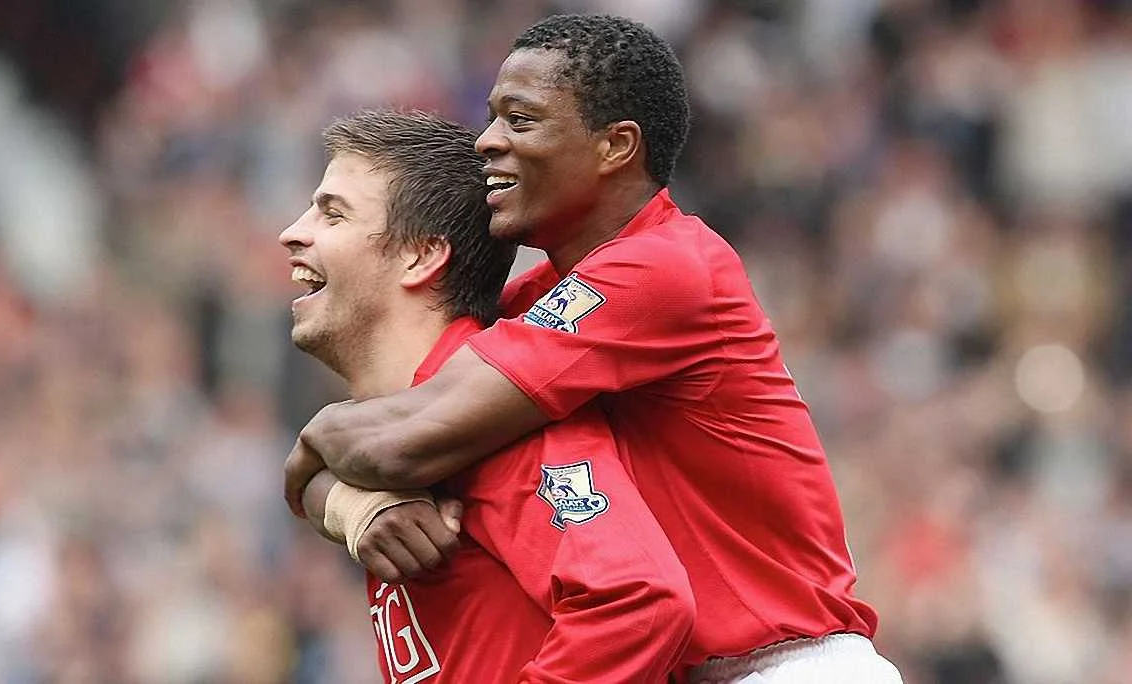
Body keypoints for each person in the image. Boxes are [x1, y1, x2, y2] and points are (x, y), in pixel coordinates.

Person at [284, 15, 904, 684]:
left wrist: (320, 437)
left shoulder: (666, 266)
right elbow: (370, 450)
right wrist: (354, 506)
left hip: (787, 666)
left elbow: (402, 439)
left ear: (615, 145)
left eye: (521, 120)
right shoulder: (538, 299)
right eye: (492, 119)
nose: (488, 140)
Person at [281, 108, 695, 683]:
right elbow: (305, 483)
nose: (293, 232)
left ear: (421, 256)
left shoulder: (497, 425)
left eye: (333, 214)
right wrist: (353, 508)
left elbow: (639, 602)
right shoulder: (403, 432)